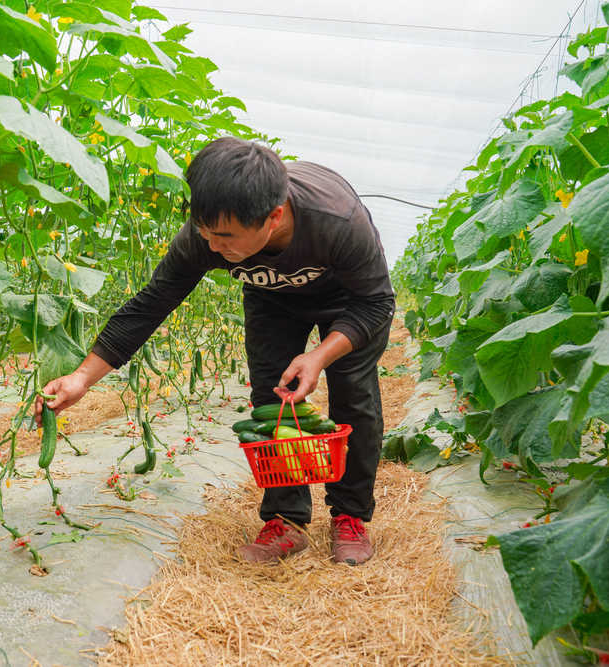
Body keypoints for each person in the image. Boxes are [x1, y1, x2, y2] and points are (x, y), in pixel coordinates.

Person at [34, 136, 395, 565]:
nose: (212, 248)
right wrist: (81, 378)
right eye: (204, 233)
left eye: (223, 237)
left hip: (348, 300)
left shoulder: (338, 221)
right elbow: (151, 305)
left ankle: (350, 516)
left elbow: (376, 302)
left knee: (354, 396)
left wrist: (319, 355)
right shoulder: (206, 236)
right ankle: (286, 519)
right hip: (271, 298)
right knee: (272, 400)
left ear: (273, 217)